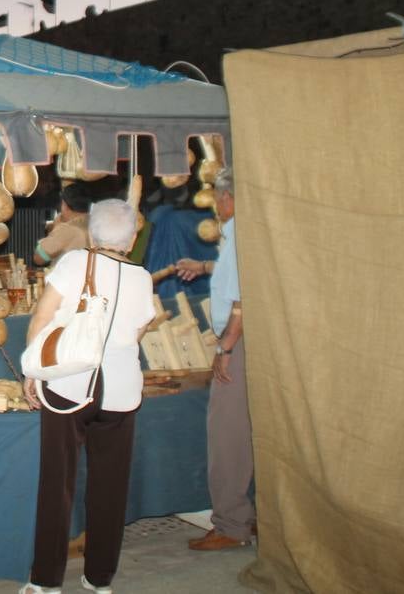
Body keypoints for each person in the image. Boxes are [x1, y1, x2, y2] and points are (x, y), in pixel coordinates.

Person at [21, 200, 157, 594]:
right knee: (110, 487)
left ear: (92, 235)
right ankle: (99, 579)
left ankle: (45, 581)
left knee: (56, 484)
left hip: (67, 384)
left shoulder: (74, 263)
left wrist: (33, 370)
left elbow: (42, 317)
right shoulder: (143, 278)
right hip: (120, 391)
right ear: (131, 240)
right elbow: (138, 331)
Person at [175, 167, 254, 550]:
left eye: (219, 199)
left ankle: (232, 524)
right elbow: (233, 275)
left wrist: (225, 346)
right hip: (249, 341)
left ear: (227, 199)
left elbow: (243, 296)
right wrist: (205, 266)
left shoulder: (241, 229)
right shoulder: (247, 230)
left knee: (228, 433)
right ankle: (244, 518)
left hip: (240, 343)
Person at [33, 183, 91, 267]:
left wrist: (56, 227)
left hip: (69, 278)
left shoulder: (67, 229)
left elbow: (39, 258)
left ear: (64, 205)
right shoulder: (94, 221)